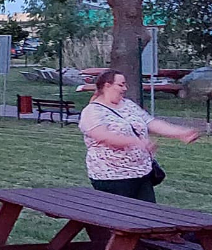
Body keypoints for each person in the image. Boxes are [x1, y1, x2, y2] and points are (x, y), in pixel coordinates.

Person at [78, 70, 198, 202]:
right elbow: (103, 136)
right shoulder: (92, 111)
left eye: (125, 84)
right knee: (121, 214)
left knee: (147, 213)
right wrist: (136, 142)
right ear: (107, 85)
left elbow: (151, 122)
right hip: (112, 177)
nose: (125, 88)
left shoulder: (128, 105)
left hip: (142, 173)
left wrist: (180, 132)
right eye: (121, 85)